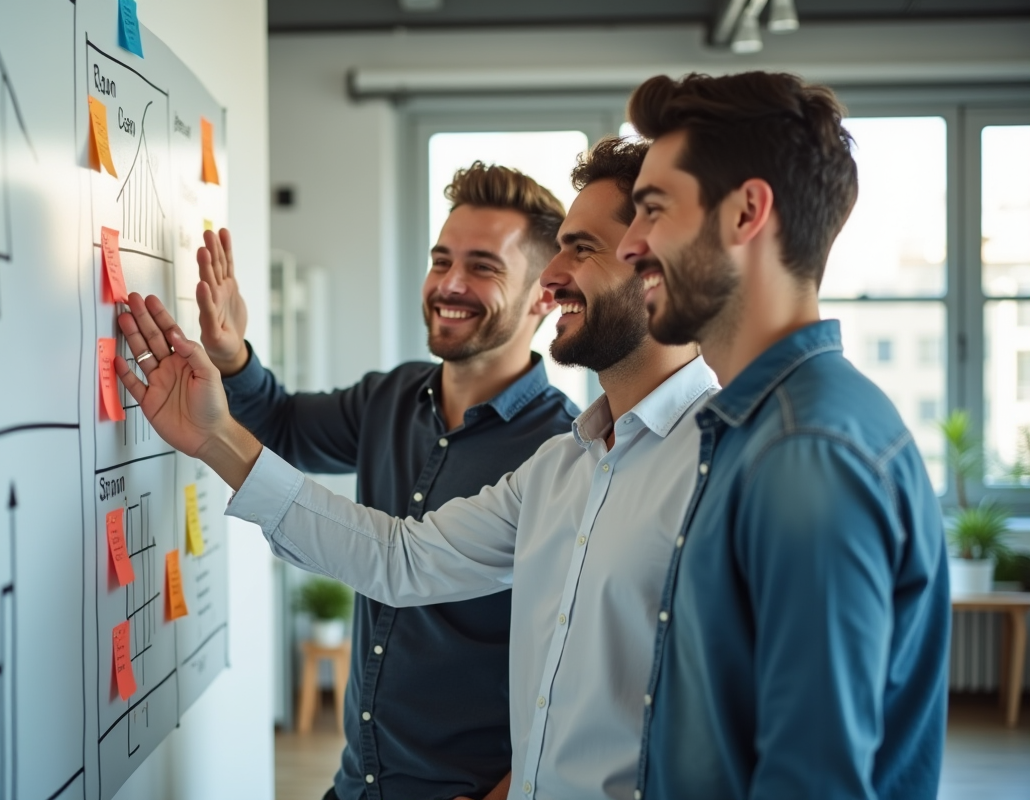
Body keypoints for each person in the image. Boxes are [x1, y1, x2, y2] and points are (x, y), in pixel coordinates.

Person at [113, 137, 719, 799]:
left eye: (583, 250)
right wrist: (217, 426)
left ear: (655, 262)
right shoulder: (566, 462)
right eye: (441, 260)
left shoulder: (718, 464)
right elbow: (400, 560)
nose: (554, 275)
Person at [189, 163, 578, 800]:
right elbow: (283, 424)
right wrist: (233, 356)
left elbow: (574, 663)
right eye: (441, 259)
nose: (449, 283)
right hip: (357, 783)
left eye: (483, 266)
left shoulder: (561, 451)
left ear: (544, 295)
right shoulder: (391, 396)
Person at [617, 71, 950, 800]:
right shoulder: (757, 426)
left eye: (652, 209)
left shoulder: (806, 453)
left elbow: (813, 781)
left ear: (746, 213)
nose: (629, 246)